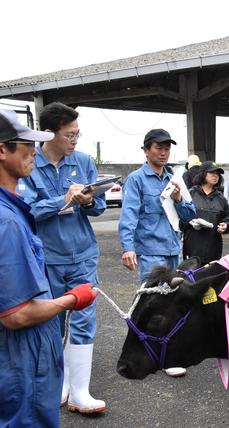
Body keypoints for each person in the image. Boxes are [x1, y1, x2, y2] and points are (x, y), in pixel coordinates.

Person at [0, 109, 98, 427]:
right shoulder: (8, 219)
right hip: (49, 259)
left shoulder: (83, 162)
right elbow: (17, 315)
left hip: (80, 252)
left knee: (80, 325)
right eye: (69, 134)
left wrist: (86, 200)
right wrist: (61, 201)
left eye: (76, 134)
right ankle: (58, 386)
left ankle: (78, 389)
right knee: (46, 325)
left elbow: (97, 204)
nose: (74, 140)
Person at [119, 129, 196, 379]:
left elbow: (189, 215)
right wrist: (128, 247)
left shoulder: (174, 179)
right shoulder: (136, 180)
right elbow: (129, 215)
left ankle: (169, 352)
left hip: (174, 247)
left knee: (173, 301)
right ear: (146, 150)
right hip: (150, 249)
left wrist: (179, 198)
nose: (163, 152)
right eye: (158, 148)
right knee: (152, 303)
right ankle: (140, 349)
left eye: (167, 148)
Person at [181, 162, 229, 262]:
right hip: (192, 248)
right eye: (212, 172)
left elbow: (228, 218)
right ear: (203, 174)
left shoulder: (221, 198)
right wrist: (190, 223)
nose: (215, 175)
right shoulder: (190, 194)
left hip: (213, 249)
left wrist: (225, 225)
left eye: (217, 173)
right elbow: (180, 220)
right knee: (190, 276)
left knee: (211, 276)